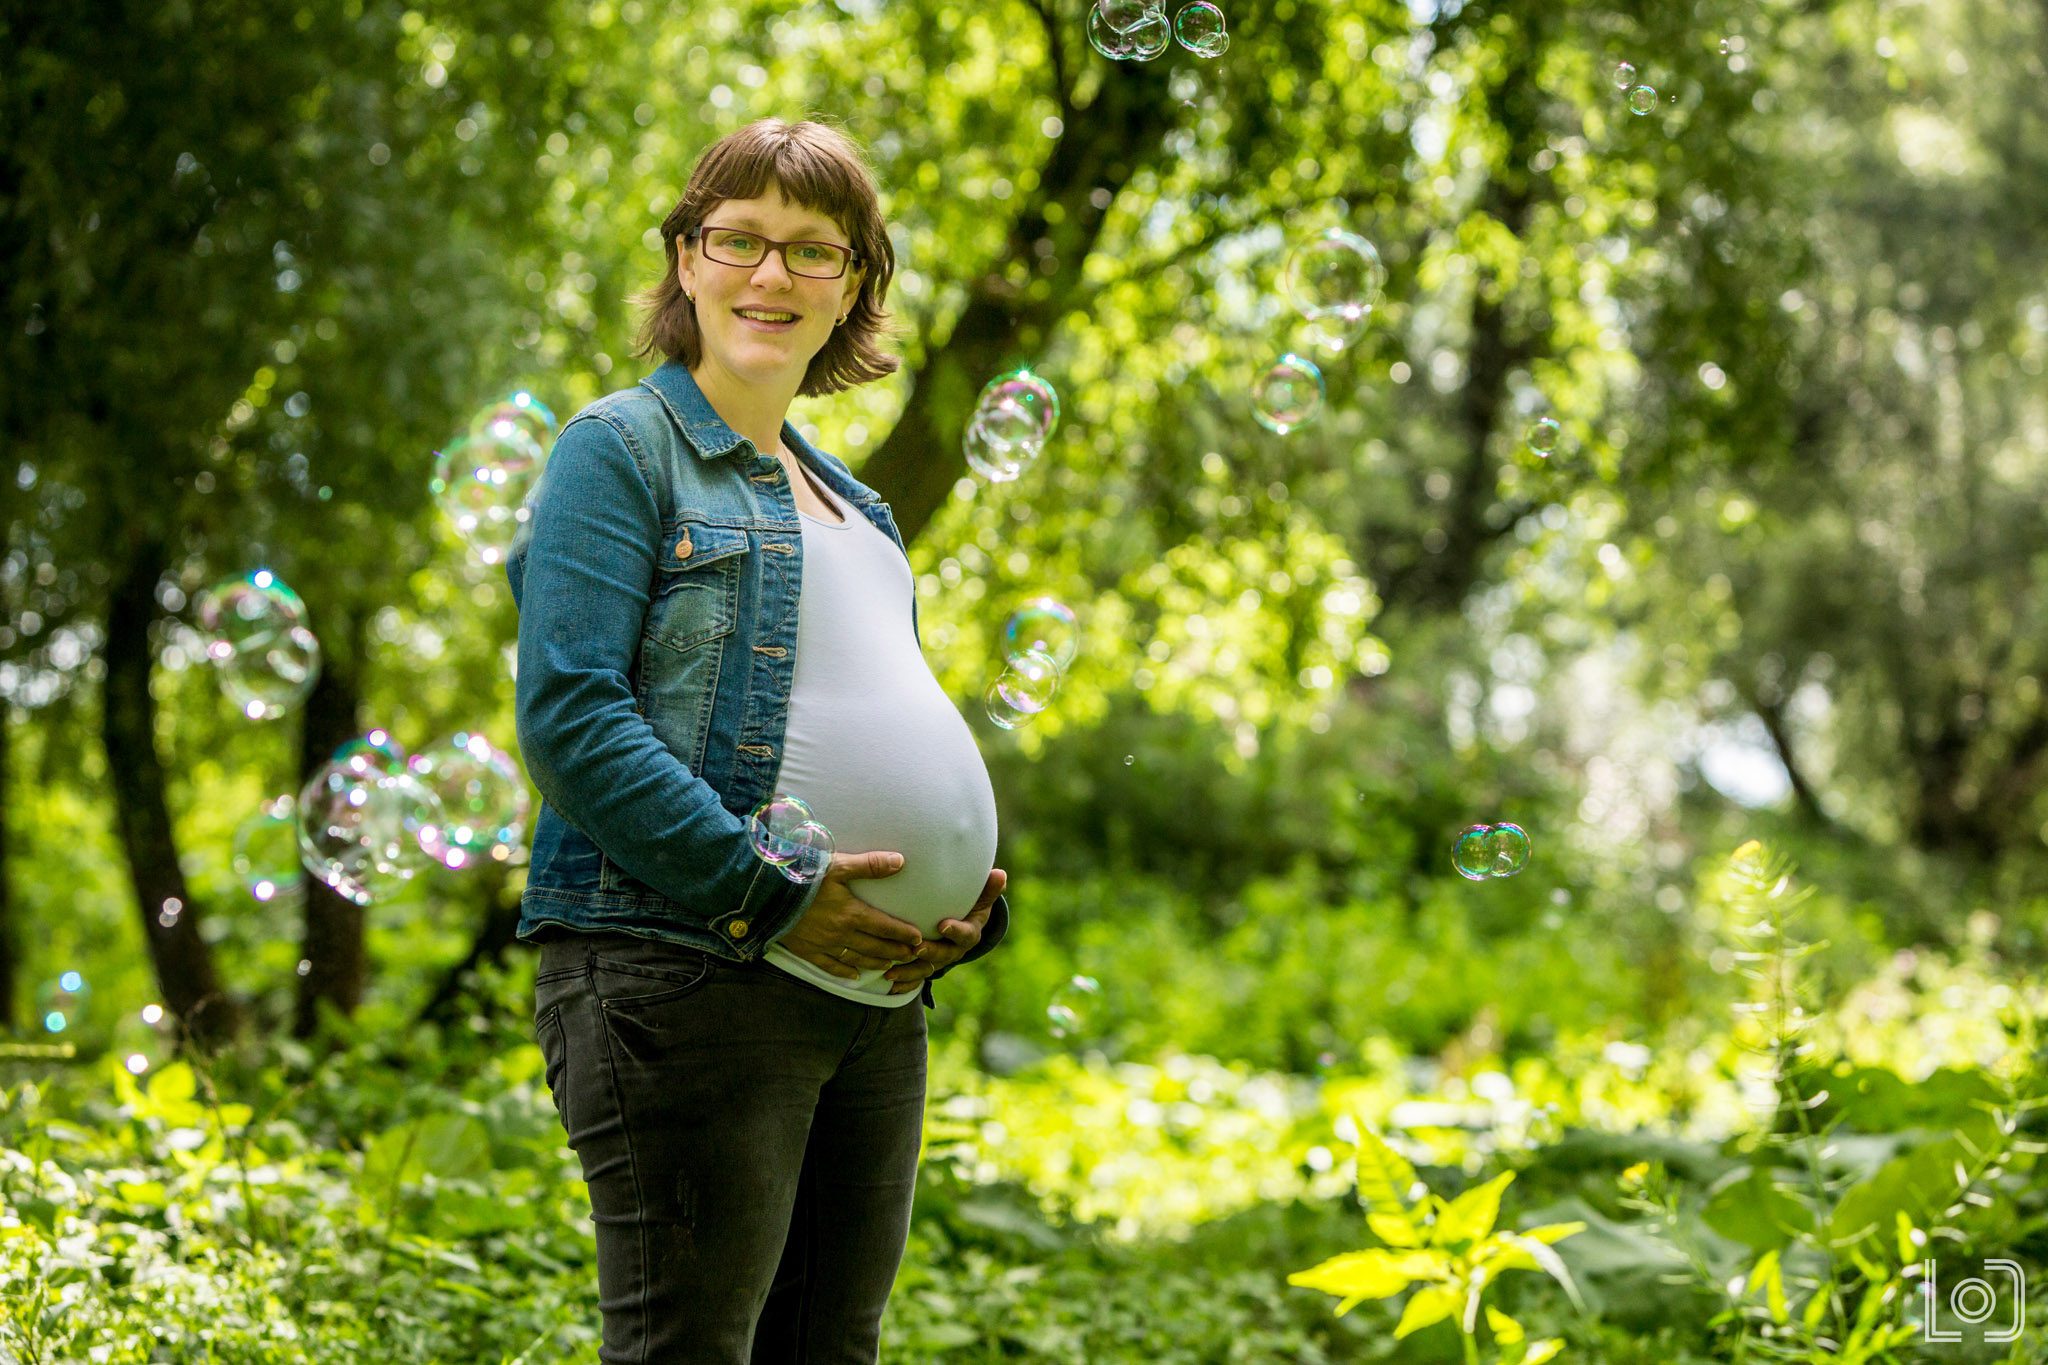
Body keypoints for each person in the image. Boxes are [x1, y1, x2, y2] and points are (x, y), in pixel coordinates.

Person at [506, 116, 1010, 1365]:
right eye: (738, 240)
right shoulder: (620, 450)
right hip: (692, 974)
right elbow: (569, 715)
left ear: (854, 290)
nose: (770, 276)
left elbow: (871, 709)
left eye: (811, 252)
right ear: (685, 259)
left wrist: (967, 901)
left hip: (873, 1002)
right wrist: (766, 893)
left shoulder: (861, 505)